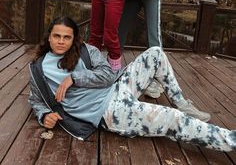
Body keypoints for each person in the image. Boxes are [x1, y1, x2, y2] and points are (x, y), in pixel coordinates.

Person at [28, 17, 236, 152]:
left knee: (155, 53)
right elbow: (35, 100)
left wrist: (75, 78)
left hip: (117, 87)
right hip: (110, 112)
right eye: (57, 36)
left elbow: (108, 74)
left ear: (74, 39)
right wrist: (44, 114)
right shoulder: (38, 68)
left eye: (67, 37)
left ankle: (181, 102)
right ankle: (231, 140)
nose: (61, 41)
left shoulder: (86, 50)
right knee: (173, 120)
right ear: (49, 37)